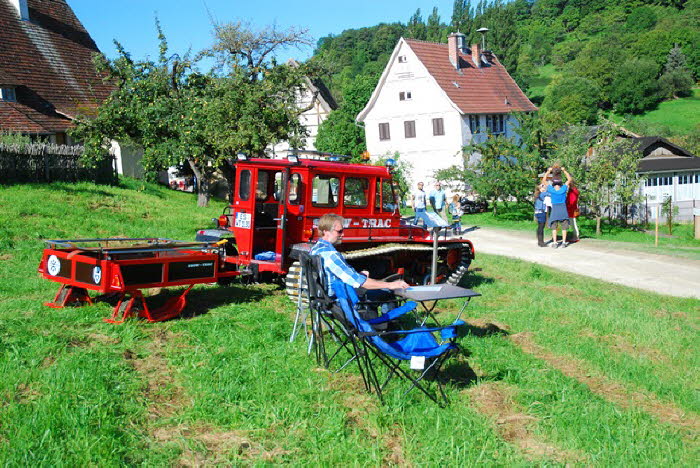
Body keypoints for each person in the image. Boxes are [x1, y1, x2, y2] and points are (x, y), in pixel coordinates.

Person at [311, 213, 410, 301]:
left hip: (323, 298)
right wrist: (390, 285)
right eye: (339, 231)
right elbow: (359, 282)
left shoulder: (315, 249)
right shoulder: (331, 254)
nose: (343, 234)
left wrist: (359, 275)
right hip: (339, 298)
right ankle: (383, 321)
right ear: (326, 232)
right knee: (386, 293)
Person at [541, 166, 572, 248]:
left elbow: (544, 181)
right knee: (564, 227)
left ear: (553, 184)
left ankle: (555, 243)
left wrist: (548, 171)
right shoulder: (563, 189)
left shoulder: (551, 190)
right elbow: (569, 179)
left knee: (554, 227)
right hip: (563, 209)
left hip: (555, 209)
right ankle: (564, 242)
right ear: (561, 184)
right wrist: (564, 170)